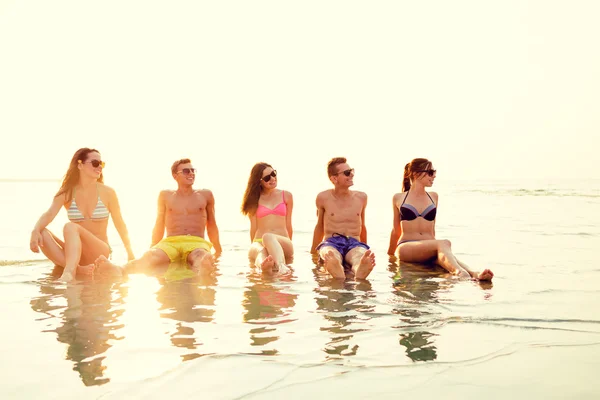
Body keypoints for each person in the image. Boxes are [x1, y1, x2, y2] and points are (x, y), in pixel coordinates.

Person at [95, 158, 222, 276]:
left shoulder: (205, 195)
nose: (191, 173)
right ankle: (118, 270)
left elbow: (211, 224)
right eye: (186, 171)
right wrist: (153, 245)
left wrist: (218, 249)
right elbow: (159, 222)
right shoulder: (165, 196)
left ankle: (203, 268)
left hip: (196, 242)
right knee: (151, 256)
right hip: (171, 242)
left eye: (193, 170)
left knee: (200, 256)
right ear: (175, 176)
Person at [29, 148, 134, 282]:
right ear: (80, 165)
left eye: (102, 164)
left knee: (70, 227)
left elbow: (119, 223)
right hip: (76, 254)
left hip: (99, 250)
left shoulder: (108, 192)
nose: (99, 167)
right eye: (95, 163)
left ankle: (69, 272)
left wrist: (130, 253)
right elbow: (49, 214)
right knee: (42, 232)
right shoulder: (66, 192)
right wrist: (35, 231)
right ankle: (78, 269)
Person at [387, 158, 493, 281]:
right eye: (430, 172)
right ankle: (460, 273)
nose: (434, 176)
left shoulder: (433, 197)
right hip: (406, 247)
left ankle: (474, 273)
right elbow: (396, 230)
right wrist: (390, 257)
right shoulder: (399, 198)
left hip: (430, 246)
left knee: (447, 257)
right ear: (416, 174)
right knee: (444, 244)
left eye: (434, 172)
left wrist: (438, 251)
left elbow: (432, 229)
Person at [310, 157, 375, 280]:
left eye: (351, 171)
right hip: (332, 241)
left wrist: (365, 248)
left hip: (354, 242)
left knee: (358, 256)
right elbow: (319, 226)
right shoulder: (323, 197)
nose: (351, 175)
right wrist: (313, 252)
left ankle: (359, 269)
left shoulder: (361, 197)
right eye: (347, 173)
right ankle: (336, 268)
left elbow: (363, 226)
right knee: (330, 254)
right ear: (334, 178)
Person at [241, 162, 293, 274]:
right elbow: (253, 228)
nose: (272, 178)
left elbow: (289, 224)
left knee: (268, 237)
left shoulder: (287, 196)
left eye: (273, 174)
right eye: (267, 177)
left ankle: (281, 266)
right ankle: (263, 267)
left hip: (282, 241)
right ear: (259, 181)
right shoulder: (253, 200)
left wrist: (288, 244)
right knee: (261, 251)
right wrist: (254, 245)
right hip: (259, 242)